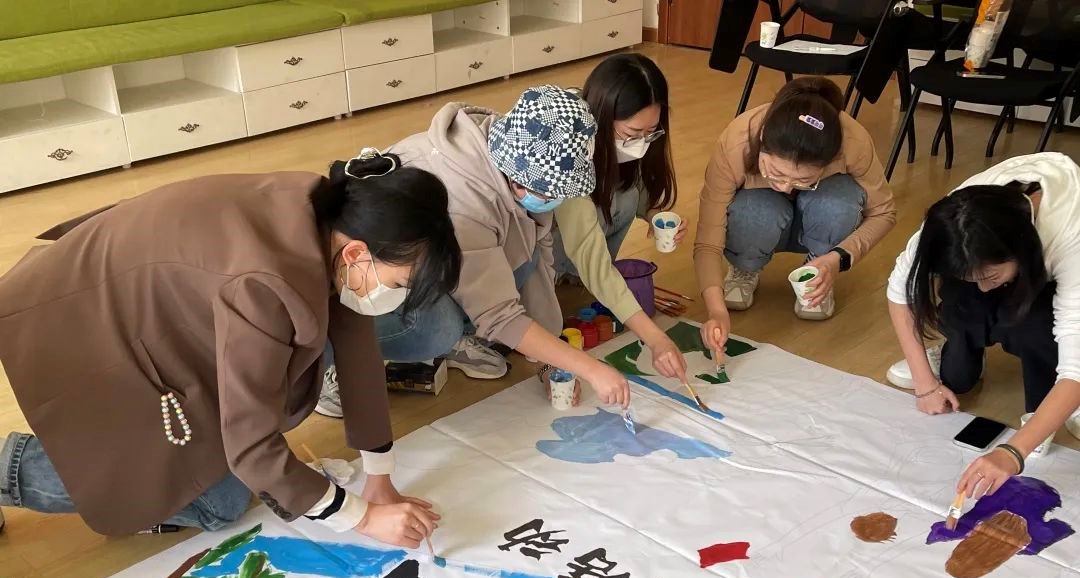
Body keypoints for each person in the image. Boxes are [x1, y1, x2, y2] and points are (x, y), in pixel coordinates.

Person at [0, 150, 459, 548]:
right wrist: (361, 517)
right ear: (357, 254)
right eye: (399, 283)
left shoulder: (336, 217)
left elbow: (356, 342)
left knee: (237, 455)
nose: (396, 296)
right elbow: (252, 449)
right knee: (220, 502)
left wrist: (379, 477)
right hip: (86, 324)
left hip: (150, 301)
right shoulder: (267, 284)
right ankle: (7, 468)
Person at [318, 85, 630, 416]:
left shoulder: (513, 153)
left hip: (417, 262)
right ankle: (334, 360)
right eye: (549, 192)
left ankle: (455, 334)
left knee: (522, 261)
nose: (554, 200)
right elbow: (499, 315)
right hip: (372, 272)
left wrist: (551, 359)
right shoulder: (468, 203)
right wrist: (588, 367)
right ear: (519, 180)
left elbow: (538, 260)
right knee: (438, 329)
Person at [885, 152, 1080, 498]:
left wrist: (1012, 452)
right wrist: (924, 383)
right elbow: (899, 291)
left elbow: (1076, 366)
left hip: (1059, 279)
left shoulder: (1070, 236)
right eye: (971, 278)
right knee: (958, 364)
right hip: (1006, 253)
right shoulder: (950, 223)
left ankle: (1058, 399)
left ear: (1019, 251)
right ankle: (957, 345)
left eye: (991, 276)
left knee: (1037, 329)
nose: (985, 288)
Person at [696, 77, 896, 357]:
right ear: (762, 140)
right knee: (753, 208)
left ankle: (816, 271)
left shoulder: (852, 141)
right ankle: (745, 267)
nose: (786, 188)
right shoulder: (737, 140)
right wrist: (716, 311)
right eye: (775, 173)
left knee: (839, 201)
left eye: (804, 180)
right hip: (763, 214)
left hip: (819, 217)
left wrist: (837, 259)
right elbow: (707, 240)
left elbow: (884, 212)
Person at [551, 53, 688, 380]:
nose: (641, 143)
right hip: (539, 246)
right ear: (602, 114)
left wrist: (656, 215)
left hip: (578, 243)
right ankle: (556, 274)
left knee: (624, 195)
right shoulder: (568, 144)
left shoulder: (620, 143)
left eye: (651, 132)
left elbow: (633, 185)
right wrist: (655, 338)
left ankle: (571, 277)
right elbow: (590, 253)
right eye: (633, 132)